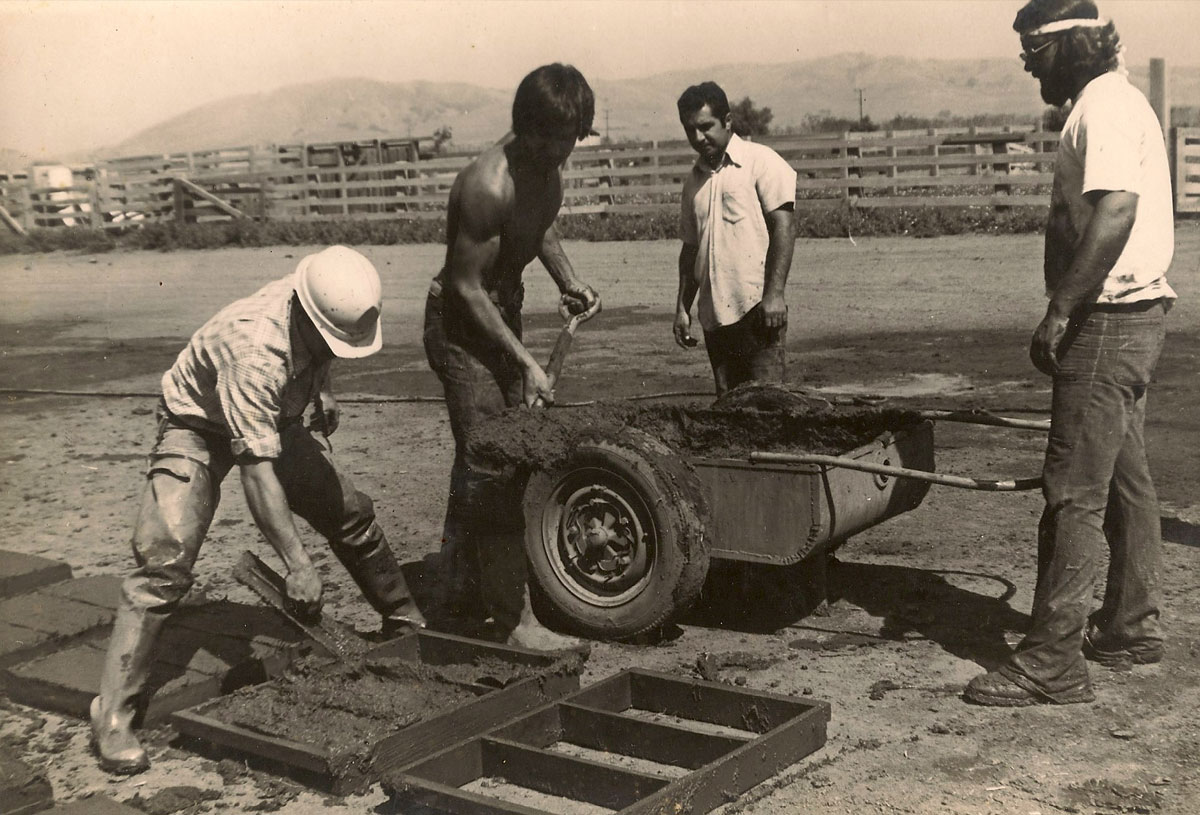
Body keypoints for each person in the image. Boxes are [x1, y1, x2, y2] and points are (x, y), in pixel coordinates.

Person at [91, 245, 426, 773]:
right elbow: (257, 472)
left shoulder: (317, 301)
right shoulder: (254, 351)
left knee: (349, 509)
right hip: (197, 423)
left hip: (272, 410)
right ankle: (112, 713)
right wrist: (297, 564)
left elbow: (322, 347)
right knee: (165, 561)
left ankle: (406, 623)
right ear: (309, 317)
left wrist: (322, 388)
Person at [965, 0, 1176, 707]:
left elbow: (1115, 208)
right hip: (1129, 315)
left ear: (1068, 46)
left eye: (1032, 49)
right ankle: (1129, 625)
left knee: (1072, 493)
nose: (1027, 64)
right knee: (1123, 477)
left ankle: (1053, 656)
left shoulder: (1104, 108)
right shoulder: (1109, 101)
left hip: (1107, 320)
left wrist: (1061, 309)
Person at [423, 63, 601, 651]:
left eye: (570, 138)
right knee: (497, 462)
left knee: (480, 465)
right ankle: (514, 622)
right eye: (549, 138)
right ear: (523, 129)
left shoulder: (545, 170)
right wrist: (525, 361)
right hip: (462, 321)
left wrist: (568, 280)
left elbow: (537, 226)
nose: (559, 151)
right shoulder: (485, 183)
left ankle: (453, 594)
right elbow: (467, 287)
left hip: (506, 308)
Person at [674, 81, 797, 396]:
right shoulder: (693, 182)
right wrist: (682, 307)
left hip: (758, 311)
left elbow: (784, 226)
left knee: (768, 407)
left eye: (706, 127)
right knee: (729, 411)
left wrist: (775, 295)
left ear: (727, 121)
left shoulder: (761, 161)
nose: (698, 138)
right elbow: (690, 249)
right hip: (715, 317)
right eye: (690, 131)